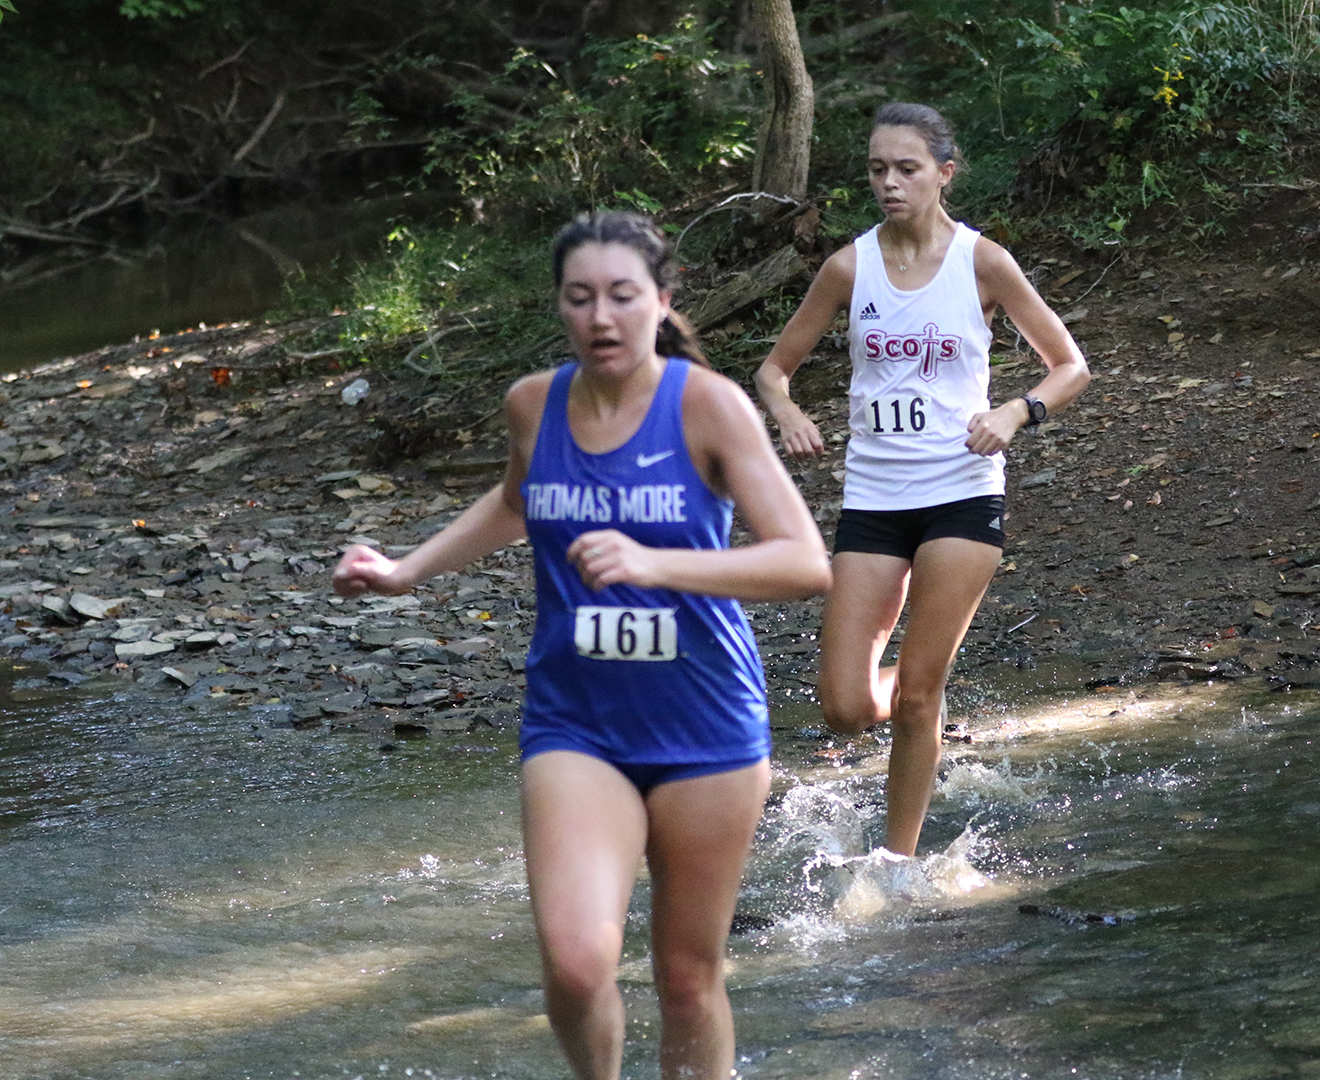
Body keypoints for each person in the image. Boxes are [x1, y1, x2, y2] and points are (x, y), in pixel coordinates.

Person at [332, 210, 830, 1080]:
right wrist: (407, 571)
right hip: (578, 723)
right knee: (574, 962)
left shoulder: (708, 406)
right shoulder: (534, 403)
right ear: (561, 309)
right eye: (581, 298)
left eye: (623, 297)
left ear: (661, 301)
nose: (602, 317)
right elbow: (517, 503)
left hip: (706, 723)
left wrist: (657, 563)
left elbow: (804, 562)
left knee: (686, 978)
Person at [755, 102, 1089, 857]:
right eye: (877, 169)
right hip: (874, 496)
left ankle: (897, 862)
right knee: (843, 705)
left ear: (944, 173)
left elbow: (1070, 367)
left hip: (964, 491)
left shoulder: (984, 262)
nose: (889, 183)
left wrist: (1015, 411)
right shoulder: (850, 266)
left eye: (906, 168)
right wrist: (785, 413)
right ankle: (919, 686)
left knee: (915, 699)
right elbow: (774, 370)